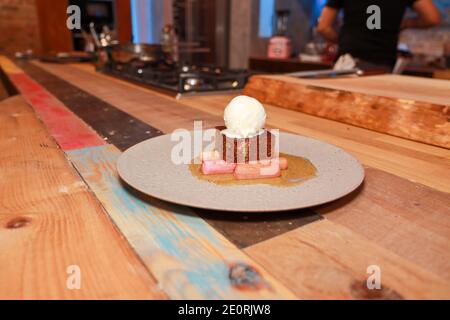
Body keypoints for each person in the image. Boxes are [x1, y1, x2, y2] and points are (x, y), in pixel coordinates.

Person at [317, 0, 441, 71]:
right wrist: (405, 24)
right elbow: (432, 18)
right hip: (382, 64)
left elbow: (323, 27)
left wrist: (345, 41)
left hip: (348, 61)